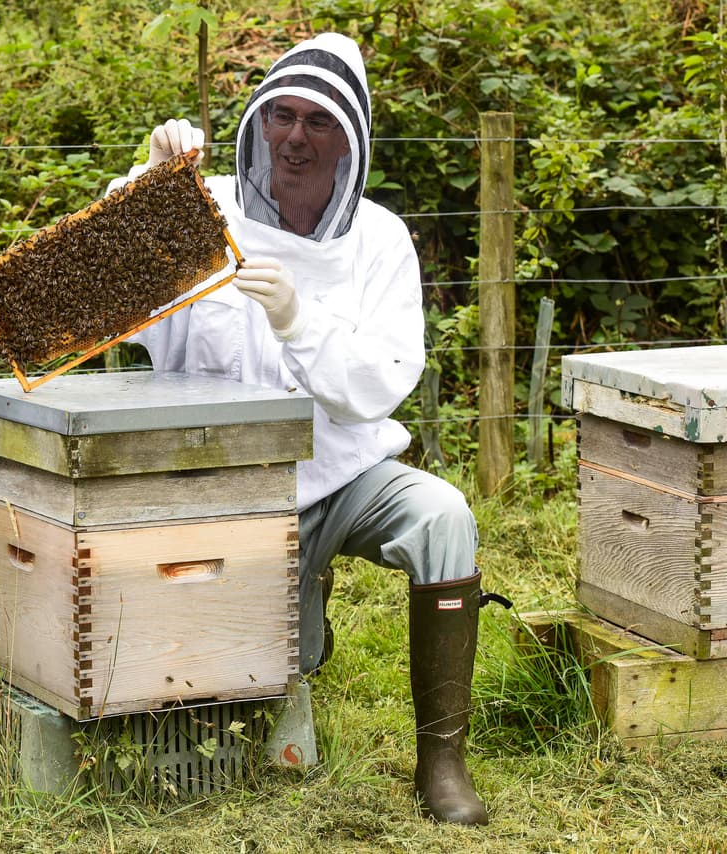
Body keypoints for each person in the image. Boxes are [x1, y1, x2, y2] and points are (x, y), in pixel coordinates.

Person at [113, 33, 494, 826]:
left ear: (349, 140)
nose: (294, 137)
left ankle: (442, 765)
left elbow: (378, 387)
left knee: (444, 517)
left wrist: (297, 316)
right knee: (260, 671)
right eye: (280, 116)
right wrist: (152, 185)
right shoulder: (203, 208)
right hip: (220, 488)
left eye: (318, 121)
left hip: (347, 474)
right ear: (258, 125)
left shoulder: (380, 241)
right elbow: (113, 288)